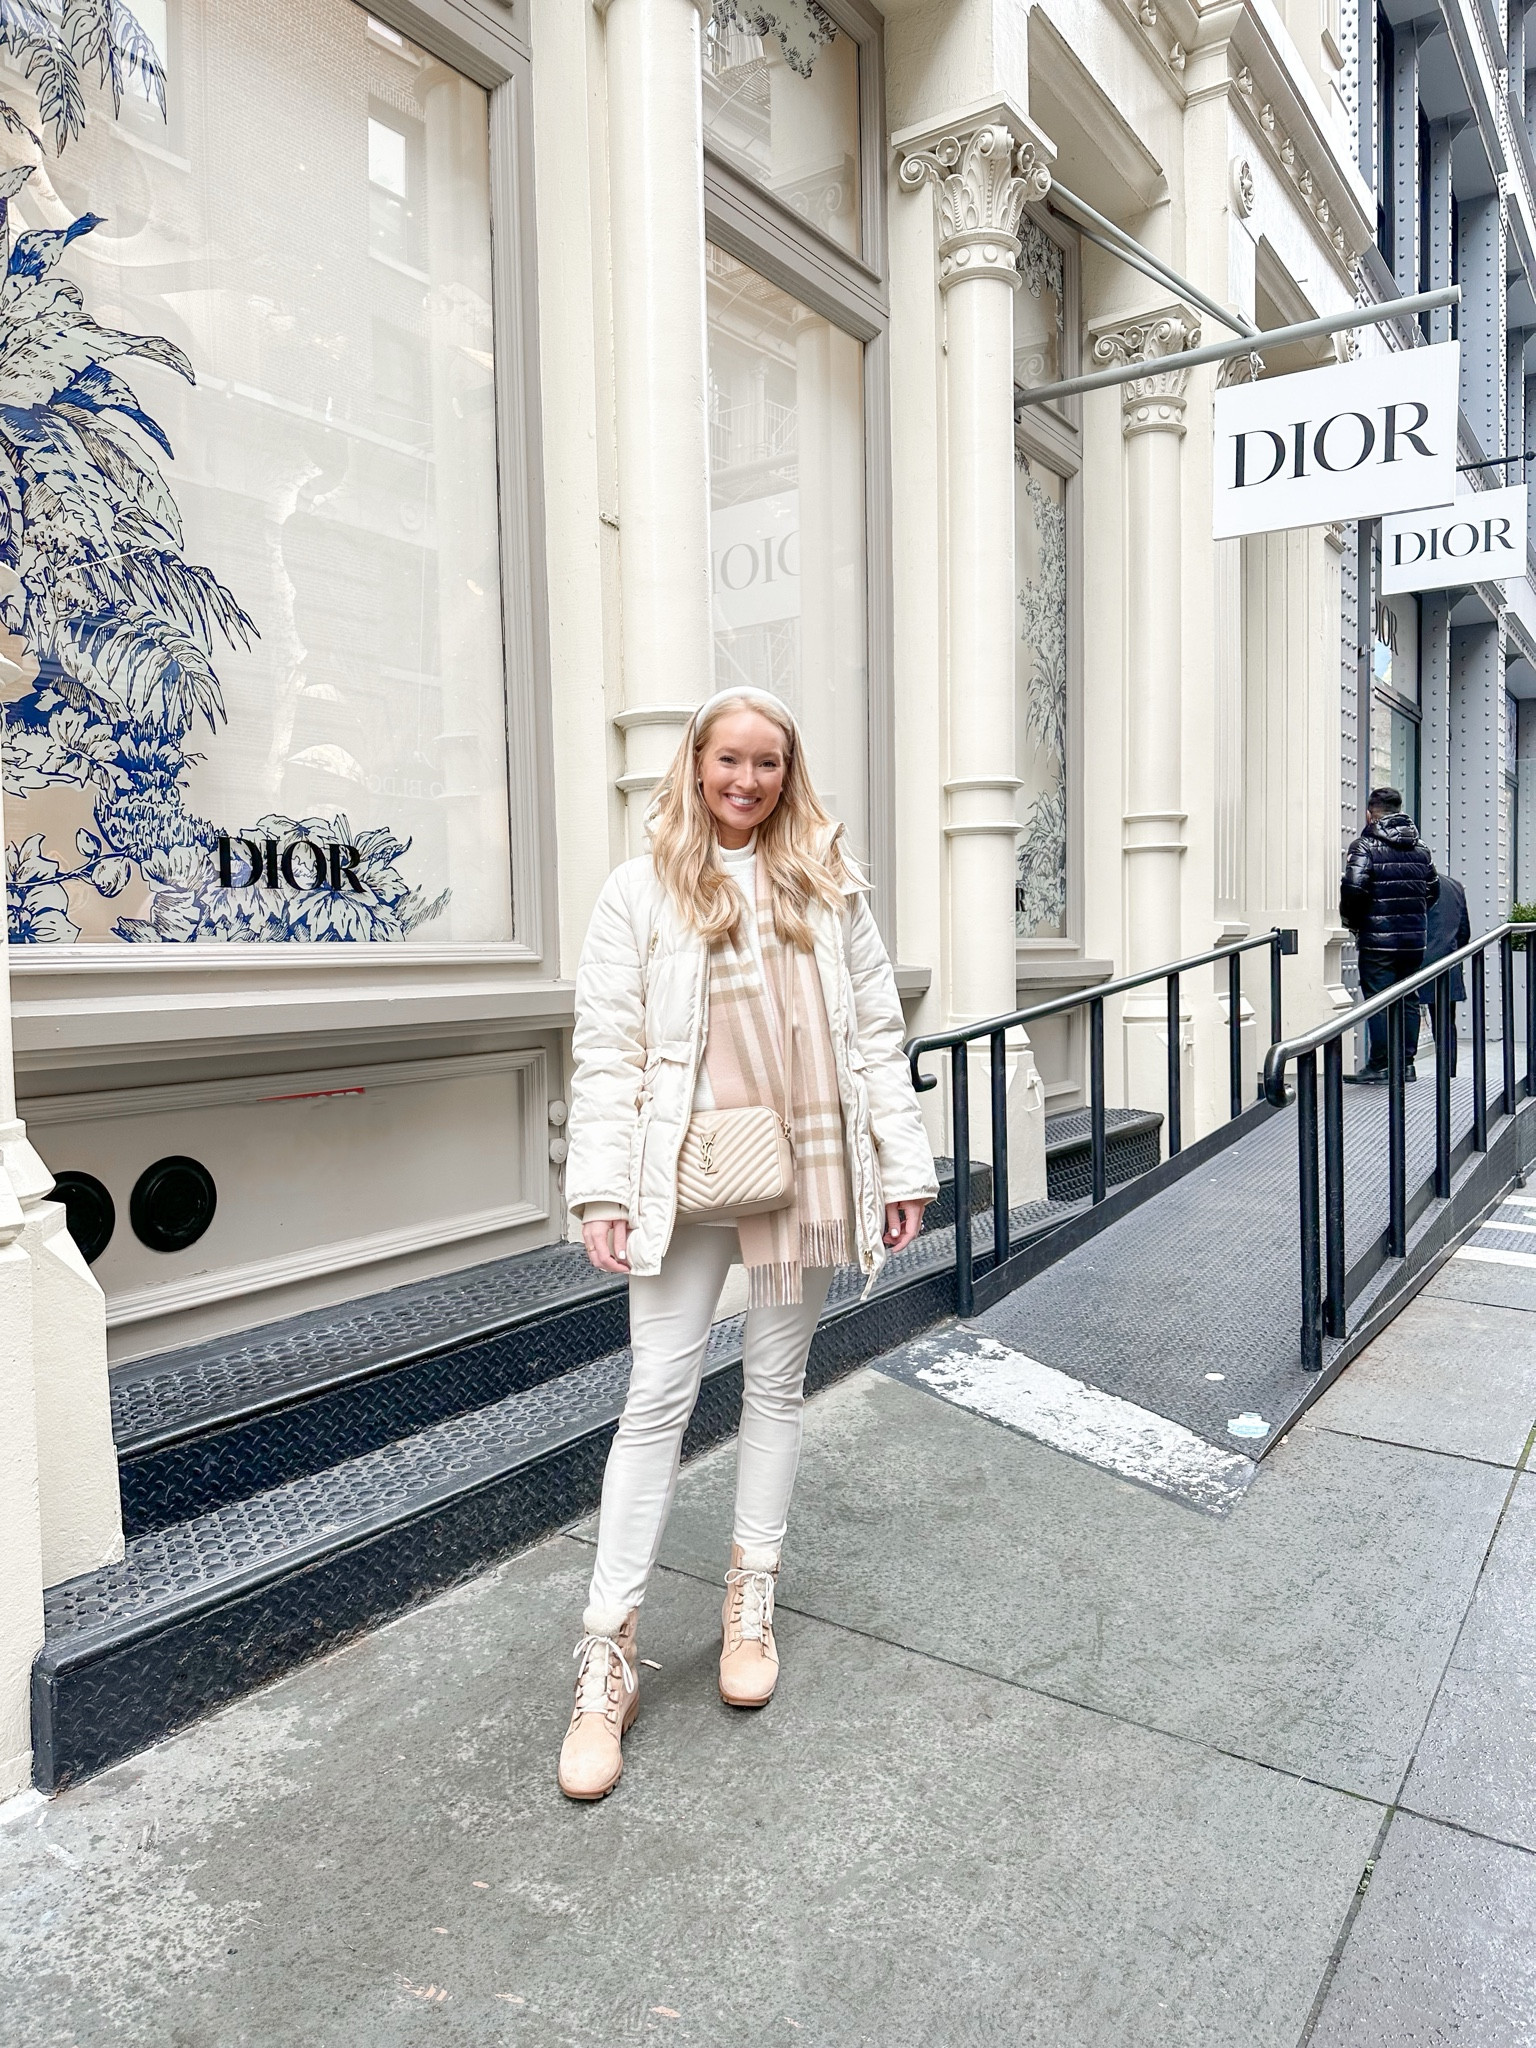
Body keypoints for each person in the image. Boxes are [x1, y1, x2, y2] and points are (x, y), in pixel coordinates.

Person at [558, 686, 938, 1801]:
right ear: (696, 763)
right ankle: (608, 1649)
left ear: (788, 772)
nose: (748, 780)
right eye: (730, 759)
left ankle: (750, 1593)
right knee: (656, 1396)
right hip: (683, 1173)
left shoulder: (828, 885)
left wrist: (901, 1164)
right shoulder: (639, 889)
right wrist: (601, 1190)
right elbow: (608, 1049)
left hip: (804, 1169)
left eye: (768, 762)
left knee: (775, 1387)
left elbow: (877, 1036)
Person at [1340, 786, 1440, 1083]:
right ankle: (1406, 1065)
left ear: (1369, 814)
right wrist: (1412, 917)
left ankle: (1381, 1065)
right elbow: (1432, 891)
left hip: (1377, 940)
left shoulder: (1364, 847)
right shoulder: (1421, 848)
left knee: (1379, 1000)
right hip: (1413, 941)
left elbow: (1353, 890)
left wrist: (1354, 923)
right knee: (1408, 999)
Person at [1419, 868, 1470, 1075]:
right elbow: (1464, 932)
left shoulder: (1411, 884)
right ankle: (1448, 1075)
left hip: (1414, 963)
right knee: (1446, 1024)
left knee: (1402, 1019)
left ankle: (1402, 1069)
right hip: (1448, 962)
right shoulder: (1454, 885)